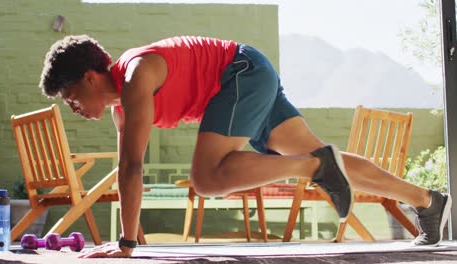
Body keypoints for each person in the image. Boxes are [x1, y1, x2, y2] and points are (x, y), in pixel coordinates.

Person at [38, 35, 451, 258]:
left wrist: (126, 246)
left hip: (240, 72)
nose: (73, 108)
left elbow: (131, 169)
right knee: (321, 155)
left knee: (207, 177)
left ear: (91, 77)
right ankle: (427, 201)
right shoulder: (122, 110)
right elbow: (131, 166)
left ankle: (311, 167)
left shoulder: (136, 75)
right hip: (245, 75)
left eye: (71, 96)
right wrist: (128, 240)